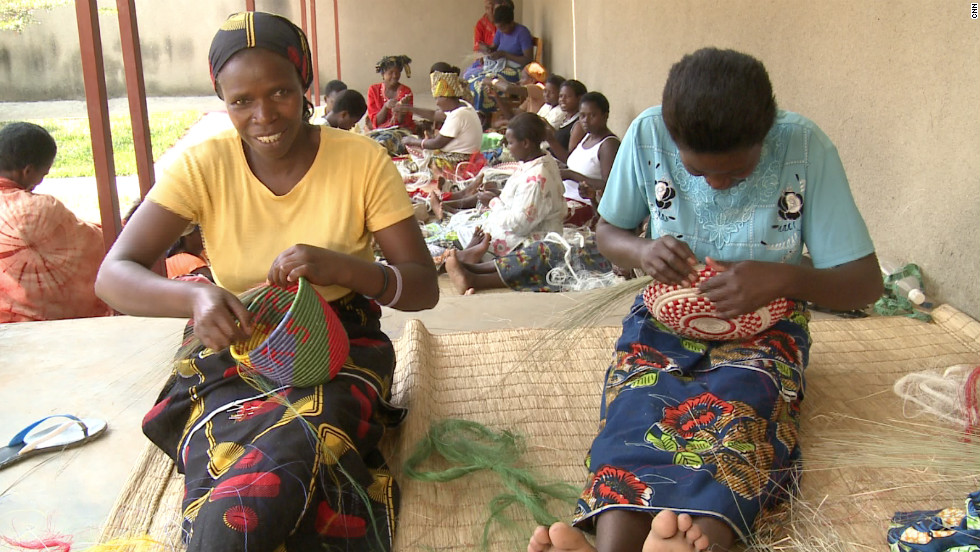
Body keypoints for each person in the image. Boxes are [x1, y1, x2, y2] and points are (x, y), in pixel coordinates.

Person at [95, 12, 438, 551]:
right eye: (241, 101)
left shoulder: (361, 162)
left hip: (339, 344)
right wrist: (196, 294)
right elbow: (114, 274)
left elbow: (422, 286)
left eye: (279, 91)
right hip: (236, 339)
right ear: (222, 100)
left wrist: (344, 268)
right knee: (227, 445)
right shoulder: (203, 166)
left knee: (298, 446)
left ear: (305, 84)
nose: (263, 115)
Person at [527, 48, 882, 552]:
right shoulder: (649, 134)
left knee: (741, 410)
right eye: (697, 173)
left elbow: (865, 283)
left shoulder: (804, 147)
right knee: (636, 405)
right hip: (664, 318)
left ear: (766, 136)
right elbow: (609, 231)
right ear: (673, 140)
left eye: (735, 174)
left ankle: (699, 541)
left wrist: (781, 278)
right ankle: (614, 545)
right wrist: (642, 249)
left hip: (766, 328)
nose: (716, 185)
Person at [0, 122, 111, 323]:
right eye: (43, 174)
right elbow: (100, 246)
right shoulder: (37, 210)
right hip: (36, 329)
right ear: (27, 171)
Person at [443, 112, 566, 293]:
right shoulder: (540, 161)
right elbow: (524, 202)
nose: (508, 147)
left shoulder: (538, 176)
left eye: (510, 143)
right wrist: (498, 196)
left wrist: (493, 202)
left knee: (525, 262)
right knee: (462, 224)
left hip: (531, 240)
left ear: (525, 143)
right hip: (524, 230)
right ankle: (467, 262)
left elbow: (520, 225)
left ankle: (468, 266)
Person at [401, 71, 483, 183]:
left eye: (438, 98)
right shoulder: (462, 105)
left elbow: (436, 144)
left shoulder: (458, 115)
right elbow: (434, 115)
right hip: (467, 156)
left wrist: (412, 140)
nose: (437, 103)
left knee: (412, 162)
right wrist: (408, 108)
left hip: (458, 160)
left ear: (447, 97)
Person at [560, 92, 621, 228]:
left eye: (592, 115)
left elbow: (609, 186)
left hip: (586, 206)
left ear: (605, 116)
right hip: (566, 198)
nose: (585, 120)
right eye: (582, 115)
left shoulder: (608, 144)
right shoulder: (587, 136)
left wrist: (571, 175)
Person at [463, 4, 534, 114]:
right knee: (469, 76)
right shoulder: (500, 31)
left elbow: (528, 60)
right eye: (499, 27)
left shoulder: (522, 33)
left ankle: (483, 114)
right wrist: (487, 49)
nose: (501, 30)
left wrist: (505, 54)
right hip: (500, 66)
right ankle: (470, 112)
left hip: (516, 71)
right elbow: (494, 47)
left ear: (511, 22)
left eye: (503, 27)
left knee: (481, 84)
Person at [547, 79, 588, 162]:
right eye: (561, 96)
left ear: (579, 98)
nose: (562, 99)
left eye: (567, 96)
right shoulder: (566, 117)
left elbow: (570, 160)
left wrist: (550, 140)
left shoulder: (579, 124)